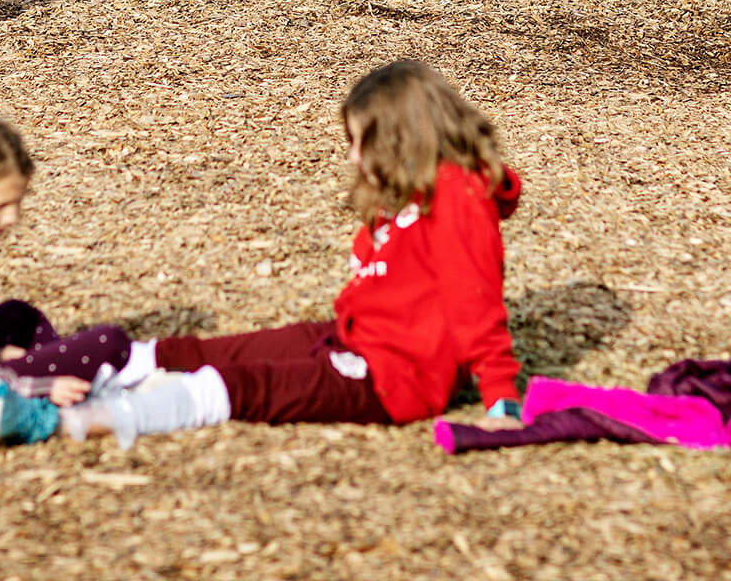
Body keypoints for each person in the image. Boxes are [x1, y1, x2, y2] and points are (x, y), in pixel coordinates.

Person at [86, 60, 526, 435]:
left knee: (244, 384)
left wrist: (501, 399)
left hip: (390, 378)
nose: (353, 157)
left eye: (361, 143)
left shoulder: (459, 197)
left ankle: (88, 418)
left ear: (400, 141)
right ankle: (90, 365)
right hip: (350, 339)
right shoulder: (415, 193)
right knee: (221, 351)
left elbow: (475, 300)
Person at [0, 114, 214, 446]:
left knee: (18, 316)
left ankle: (59, 370)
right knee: (110, 342)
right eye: (1, 205)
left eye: (17, 202)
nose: (12, 216)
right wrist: (35, 385)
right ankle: (82, 392)